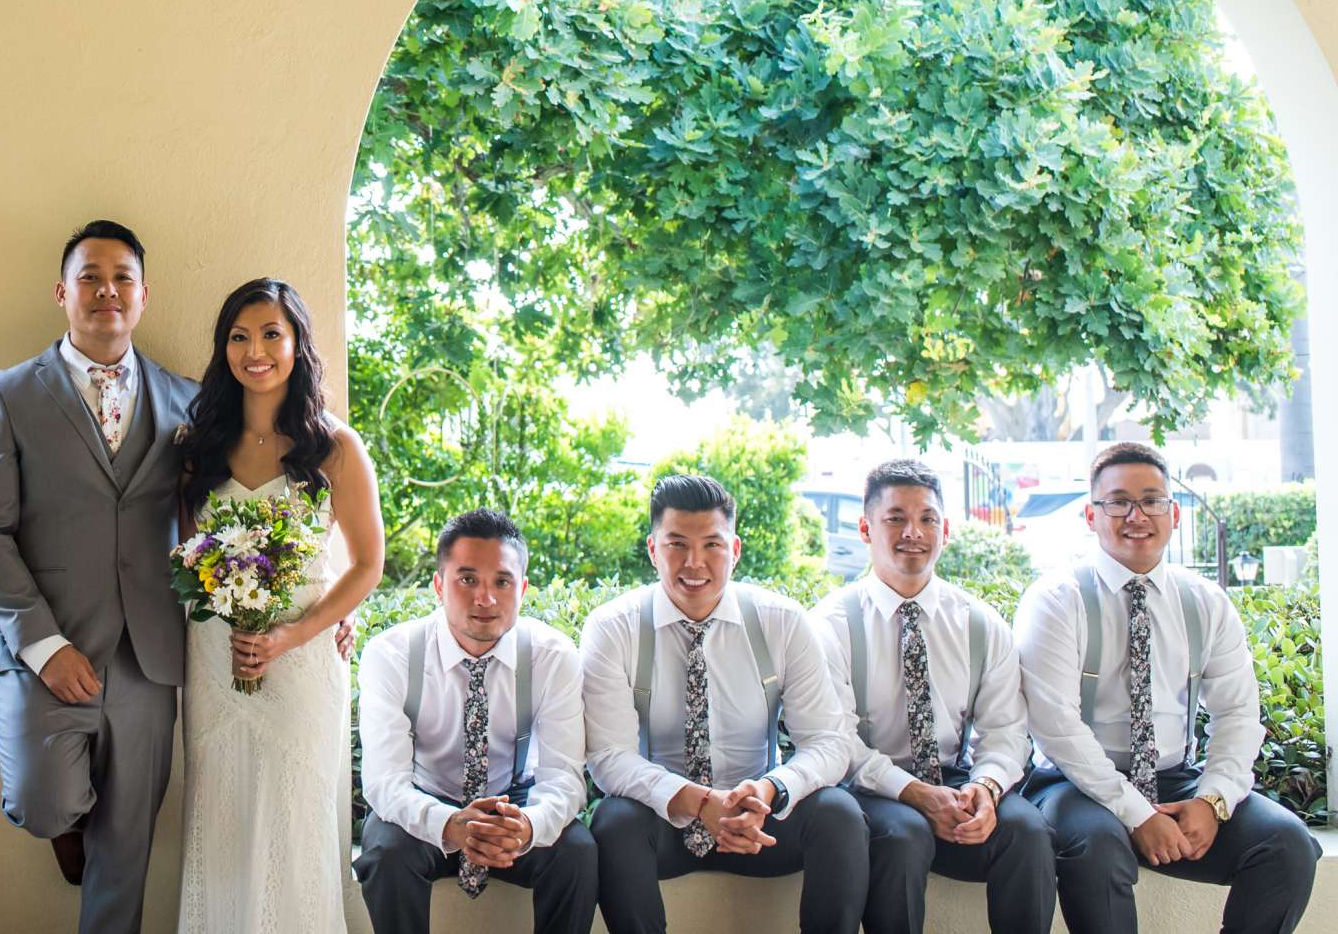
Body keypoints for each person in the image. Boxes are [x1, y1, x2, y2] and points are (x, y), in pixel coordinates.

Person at [0, 220, 198, 934]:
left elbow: (232, 512)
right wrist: (43, 644)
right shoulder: (6, 394)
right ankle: (71, 822)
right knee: (43, 801)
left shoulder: (187, 400)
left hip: (149, 655)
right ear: (63, 292)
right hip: (46, 648)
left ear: (144, 295)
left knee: (127, 848)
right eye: (90, 276)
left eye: (122, 277)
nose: (106, 291)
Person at [1015, 440, 1317, 934]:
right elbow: (1056, 727)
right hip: (1075, 785)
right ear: (1092, 517)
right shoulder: (1055, 600)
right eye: (1118, 502)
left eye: (1152, 500)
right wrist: (1136, 813)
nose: (1137, 515)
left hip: (1177, 779)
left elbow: (1239, 713)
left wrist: (1212, 800)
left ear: (1173, 513)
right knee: (1098, 848)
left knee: (1288, 844)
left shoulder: (1204, 602)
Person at [173, 277, 384, 934]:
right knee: (223, 818)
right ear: (223, 348)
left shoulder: (336, 448)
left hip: (302, 663)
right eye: (239, 336)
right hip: (214, 659)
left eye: (271, 333)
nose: (255, 349)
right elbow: (181, 551)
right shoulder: (194, 446)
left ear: (297, 345)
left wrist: (298, 633)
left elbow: (367, 563)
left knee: (295, 819)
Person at [581, 473, 866, 934]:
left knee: (840, 814)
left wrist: (769, 790)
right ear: (653, 550)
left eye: (712, 545)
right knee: (614, 822)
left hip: (761, 820)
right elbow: (610, 757)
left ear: (734, 550)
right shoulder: (613, 628)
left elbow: (829, 742)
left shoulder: (783, 622)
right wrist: (697, 802)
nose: (695, 563)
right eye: (677, 544)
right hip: (666, 820)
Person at [809, 461, 1052, 934]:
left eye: (928, 519)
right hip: (867, 786)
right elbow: (832, 738)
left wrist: (985, 788)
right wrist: (915, 794)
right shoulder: (831, 626)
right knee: (903, 836)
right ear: (865, 528)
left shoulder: (979, 624)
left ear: (946, 529)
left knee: (1028, 831)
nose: (913, 532)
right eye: (895, 518)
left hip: (956, 778)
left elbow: (1005, 732)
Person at [355, 508, 596, 934]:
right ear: (438, 585)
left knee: (576, 851)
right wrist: (449, 823)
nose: (485, 598)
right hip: (424, 804)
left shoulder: (552, 656)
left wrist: (527, 826)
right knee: (385, 849)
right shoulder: (391, 655)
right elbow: (385, 783)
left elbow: (564, 779)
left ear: (522, 588)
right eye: (467, 579)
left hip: (513, 807)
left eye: (501, 582)